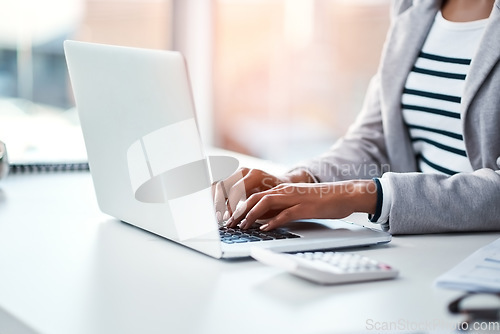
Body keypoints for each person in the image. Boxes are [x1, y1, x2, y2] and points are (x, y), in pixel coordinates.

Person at [213, 0, 500, 235]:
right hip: (422, 242)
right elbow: (374, 139)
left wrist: (358, 195)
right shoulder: (412, 9)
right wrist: (301, 180)